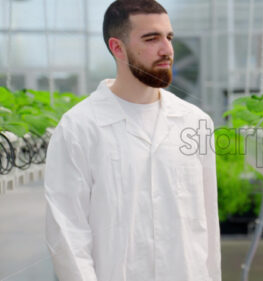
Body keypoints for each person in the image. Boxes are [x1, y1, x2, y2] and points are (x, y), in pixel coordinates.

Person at [44, 1, 221, 280]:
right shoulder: (79, 127)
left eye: (169, 37)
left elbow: (208, 224)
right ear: (117, 48)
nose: (167, 50)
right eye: (151, 39)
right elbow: (67, 232)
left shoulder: (196, 123)